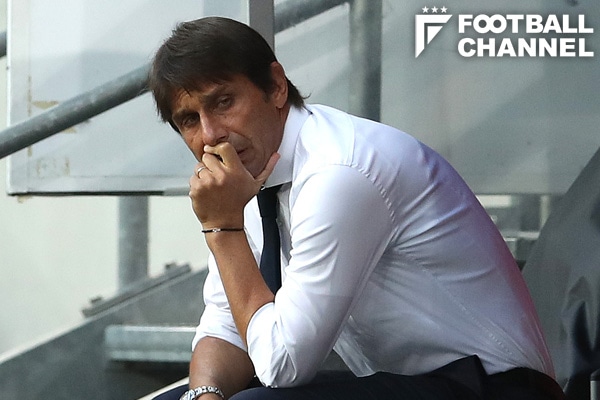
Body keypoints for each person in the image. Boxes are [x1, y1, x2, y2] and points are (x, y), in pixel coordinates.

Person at [148, 16, 564, 400]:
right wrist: (206, 395)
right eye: (189, 120)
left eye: (223, 102)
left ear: (275, 86)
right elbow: (226, 324)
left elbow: (282, 364)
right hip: (408, 384)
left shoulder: (340, 171)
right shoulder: (249, 176)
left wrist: (223, 229)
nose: (211, 135)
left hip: (498, 387)